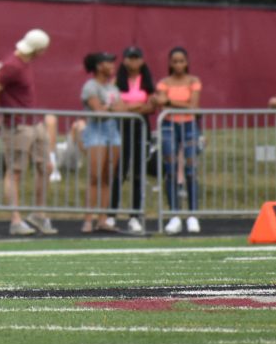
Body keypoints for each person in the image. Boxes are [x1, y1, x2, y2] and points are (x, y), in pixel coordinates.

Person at [0, 28, 57, 237]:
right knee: (15, 172)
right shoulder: (13, 65)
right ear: (39, 49)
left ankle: (38, 213)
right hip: (18, 125)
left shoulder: (19, 63)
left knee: (46, 167)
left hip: (32, 123)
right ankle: (15, 220)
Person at [155, 46, 202, 235]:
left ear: (187, 62)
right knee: (171, 169)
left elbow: (193, 106)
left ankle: (192, 215)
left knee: (191, 169)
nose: (178, 64)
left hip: (189, 126)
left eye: (182, 61)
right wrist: (169, 104)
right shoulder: (164, 82)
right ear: (169, 63)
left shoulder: (194, 81)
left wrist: (169, 103)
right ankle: (174, 215)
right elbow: (159, 101)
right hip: (168, 125)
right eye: (174, 61)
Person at [80, 52, 127, 234]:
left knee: (108, 178)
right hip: (96, 133)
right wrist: (112, 108)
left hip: (112, 133)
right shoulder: (90, 86)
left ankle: (103, 219)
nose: (112, 65)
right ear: (99, 66)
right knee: (94, 177)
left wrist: (111, 108)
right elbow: (98, 110)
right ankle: (88, 219)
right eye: (108, 62)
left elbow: (122, 108)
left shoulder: (112, 88)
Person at [110, 45, 156, 230]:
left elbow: (151, 106)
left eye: (137, 58)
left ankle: (135, 215)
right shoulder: (116, 81)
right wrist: (139, 106)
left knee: (138, 172)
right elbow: (116, 107)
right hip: (121, 128)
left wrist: (130, 108)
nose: (133, 61)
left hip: (140, 127)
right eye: (130, 57)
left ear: (142, 60)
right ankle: (111, 213)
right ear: (124, 60)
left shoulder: (147, 81)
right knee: (119, 171)